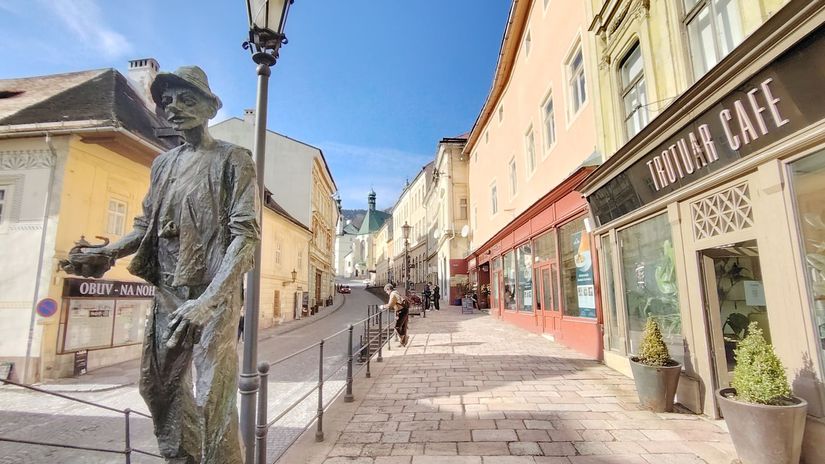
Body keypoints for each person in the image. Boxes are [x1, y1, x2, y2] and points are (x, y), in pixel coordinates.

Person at [59, 66, 256, 464]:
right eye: (168, 102)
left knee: (213, 396)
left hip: (212, 293)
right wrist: (108, 252)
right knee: (156, 385)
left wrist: (210, 301)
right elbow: (145, 226)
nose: (174, 108)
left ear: (209, 107)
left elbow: (246, 237)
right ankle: (183, 458)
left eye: (187, 99)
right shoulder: (163, 165)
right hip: (168, 289)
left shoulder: (233, 160)